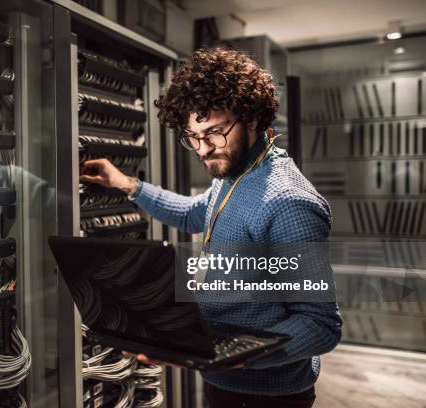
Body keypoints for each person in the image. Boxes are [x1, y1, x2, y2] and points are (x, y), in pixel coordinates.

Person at [79, 48, 342, 408]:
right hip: (221, 378)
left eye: (214, 133)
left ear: (251, 116)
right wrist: (127, 184)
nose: (202, 150)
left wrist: (222, 355)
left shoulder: (287, 204)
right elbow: (192, 213)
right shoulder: (234, 174)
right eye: (192, 136)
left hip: (266, 394)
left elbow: (319, 325)